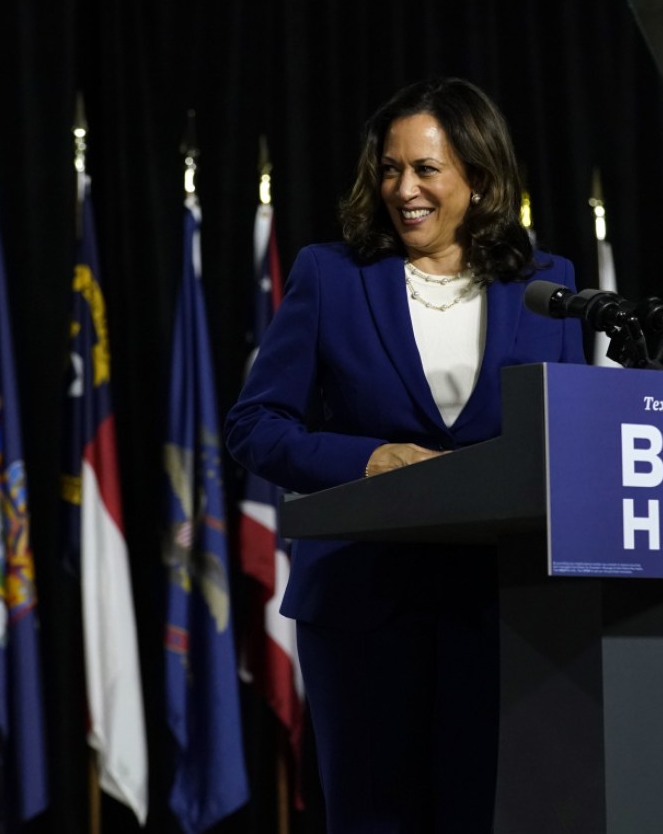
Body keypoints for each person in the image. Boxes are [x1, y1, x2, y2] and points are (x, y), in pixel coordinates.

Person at [225, 77, 585, 832]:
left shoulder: (546, 287)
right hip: (363, 604)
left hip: (500, 609)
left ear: (479, 178)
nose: (402, 188)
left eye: (426, 169)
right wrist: (367, 461)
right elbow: (255, 425)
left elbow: (567, 436)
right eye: (389, 169)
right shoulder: (332, 275)